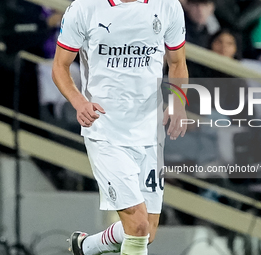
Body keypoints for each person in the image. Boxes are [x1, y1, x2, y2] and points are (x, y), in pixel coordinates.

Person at [52, 0, 188, 255]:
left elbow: (178, 63)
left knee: (147, 231)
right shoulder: (84, 8)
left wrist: (178, 102)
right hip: (105, 130)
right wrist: (79, 102)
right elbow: (60, 66)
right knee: (137, 225)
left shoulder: (168, 6)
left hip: (150, 130)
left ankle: (86, 247)